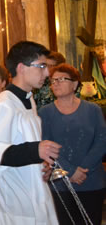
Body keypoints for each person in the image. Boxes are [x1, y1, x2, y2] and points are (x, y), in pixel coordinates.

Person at [0, 41, 61, 224]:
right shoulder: (4, 105)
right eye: (42, 66)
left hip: (30, 186)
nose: (47, 73)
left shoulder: (27, 100)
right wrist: (35, 151)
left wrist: (41, 162)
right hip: (12, 198)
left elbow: (21, 143)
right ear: (21, 68)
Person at [39, 63, 106, 225]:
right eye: (53, 81)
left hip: (91, 180)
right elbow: (46, 146)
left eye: (61, 79)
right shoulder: (45, 112)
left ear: (75, 84)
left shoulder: (93, 109)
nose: (56, 84)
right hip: (60, 184)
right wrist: (71, 171)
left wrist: (82, 170)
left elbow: (102, 141)